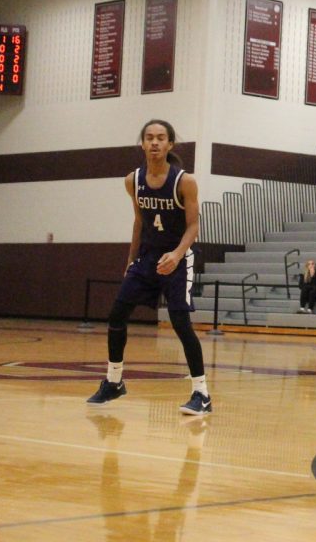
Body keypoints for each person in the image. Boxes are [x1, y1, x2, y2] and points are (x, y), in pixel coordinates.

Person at [86, 120, 210, 416]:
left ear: (170, 145)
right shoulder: (133, 180)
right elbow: (140, 221)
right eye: (149, 138)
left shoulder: (185, 181)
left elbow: (194, 225)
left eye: (161, 138)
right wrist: (130, 260)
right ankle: (114, 382)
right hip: (146, 259)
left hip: (177, 260)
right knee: (117, 316)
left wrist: (178, 254)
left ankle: (202, 394)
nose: (154, 143)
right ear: (142, 144)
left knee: (181, 324)